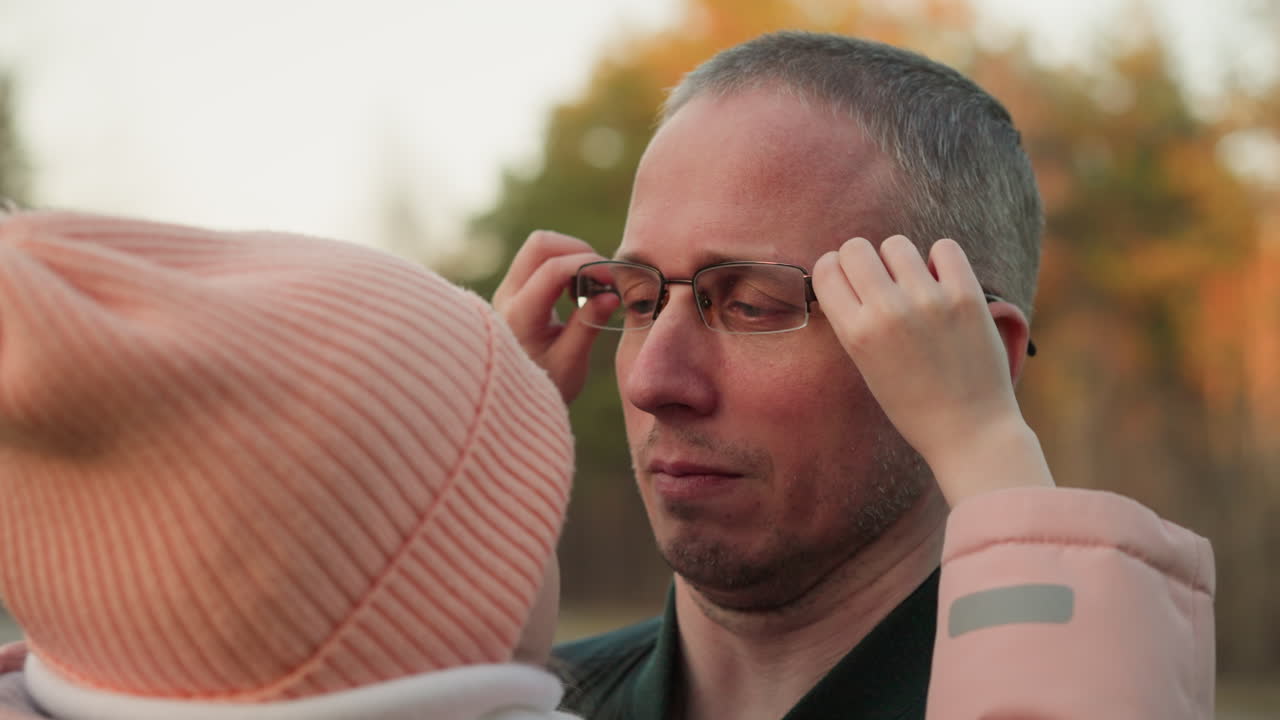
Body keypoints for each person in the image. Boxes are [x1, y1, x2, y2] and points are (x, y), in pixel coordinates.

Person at [492, 30, 1216, 719]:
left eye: (751, 305)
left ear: (982, 356)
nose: (653, 381)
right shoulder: (523, 702)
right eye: (642, 299)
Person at [0, 209, 580, 719]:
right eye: (533, 512)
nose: (547, 533)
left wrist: (485, 405)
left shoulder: (92, 674)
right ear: (462, 596)